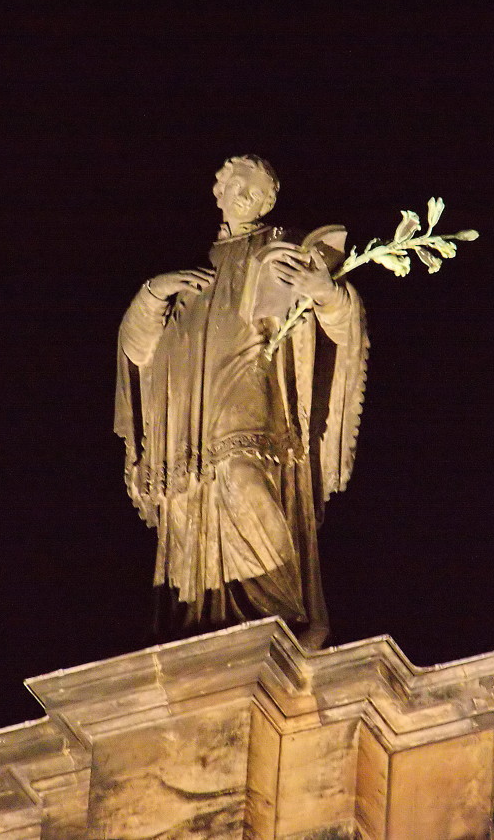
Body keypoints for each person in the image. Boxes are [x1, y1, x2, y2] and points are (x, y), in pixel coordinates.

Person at [114, 156, 368, 649]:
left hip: (255, 397)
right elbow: (138, 351)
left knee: (243, 479)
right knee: (189, 501)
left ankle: (279, 611)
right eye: (240, 186)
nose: (248, 197)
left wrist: (326, 293)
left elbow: (339, 328)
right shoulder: (196, 268)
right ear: (221, 191)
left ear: (270, 201)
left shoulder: (282, 249)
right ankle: (195, 619)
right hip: (189, 414)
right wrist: (151, 294)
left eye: (259, 192)